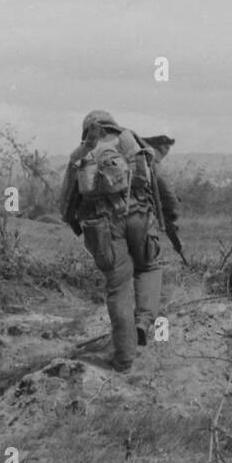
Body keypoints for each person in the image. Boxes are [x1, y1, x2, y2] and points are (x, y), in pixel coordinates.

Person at [59, 110, 170, 372]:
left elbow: (65, 205)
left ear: (87, 130)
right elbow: (156, 181)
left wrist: (78, 221)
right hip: (139, 216)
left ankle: (123, 359)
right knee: (149, 267)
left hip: (102, 227)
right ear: (113, 125)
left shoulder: (82, 155)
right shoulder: (130, 141)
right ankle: (143, 321)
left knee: (118, 289)